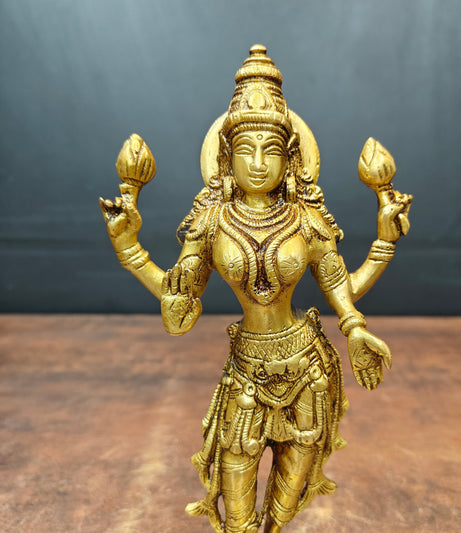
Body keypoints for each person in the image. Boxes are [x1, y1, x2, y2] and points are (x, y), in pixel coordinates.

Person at [99, 45, 412, 533]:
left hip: (308, 373)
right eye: (246, 149)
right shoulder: (211, 222)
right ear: (226, 156)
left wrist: (380, 252)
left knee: (282, 511)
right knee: (238, 514)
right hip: (245, 377)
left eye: (272, 149)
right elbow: (179, 309)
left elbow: (341, 288)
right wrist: (128, 247)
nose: (260, 163)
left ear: (291, 157)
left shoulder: (305, 220)